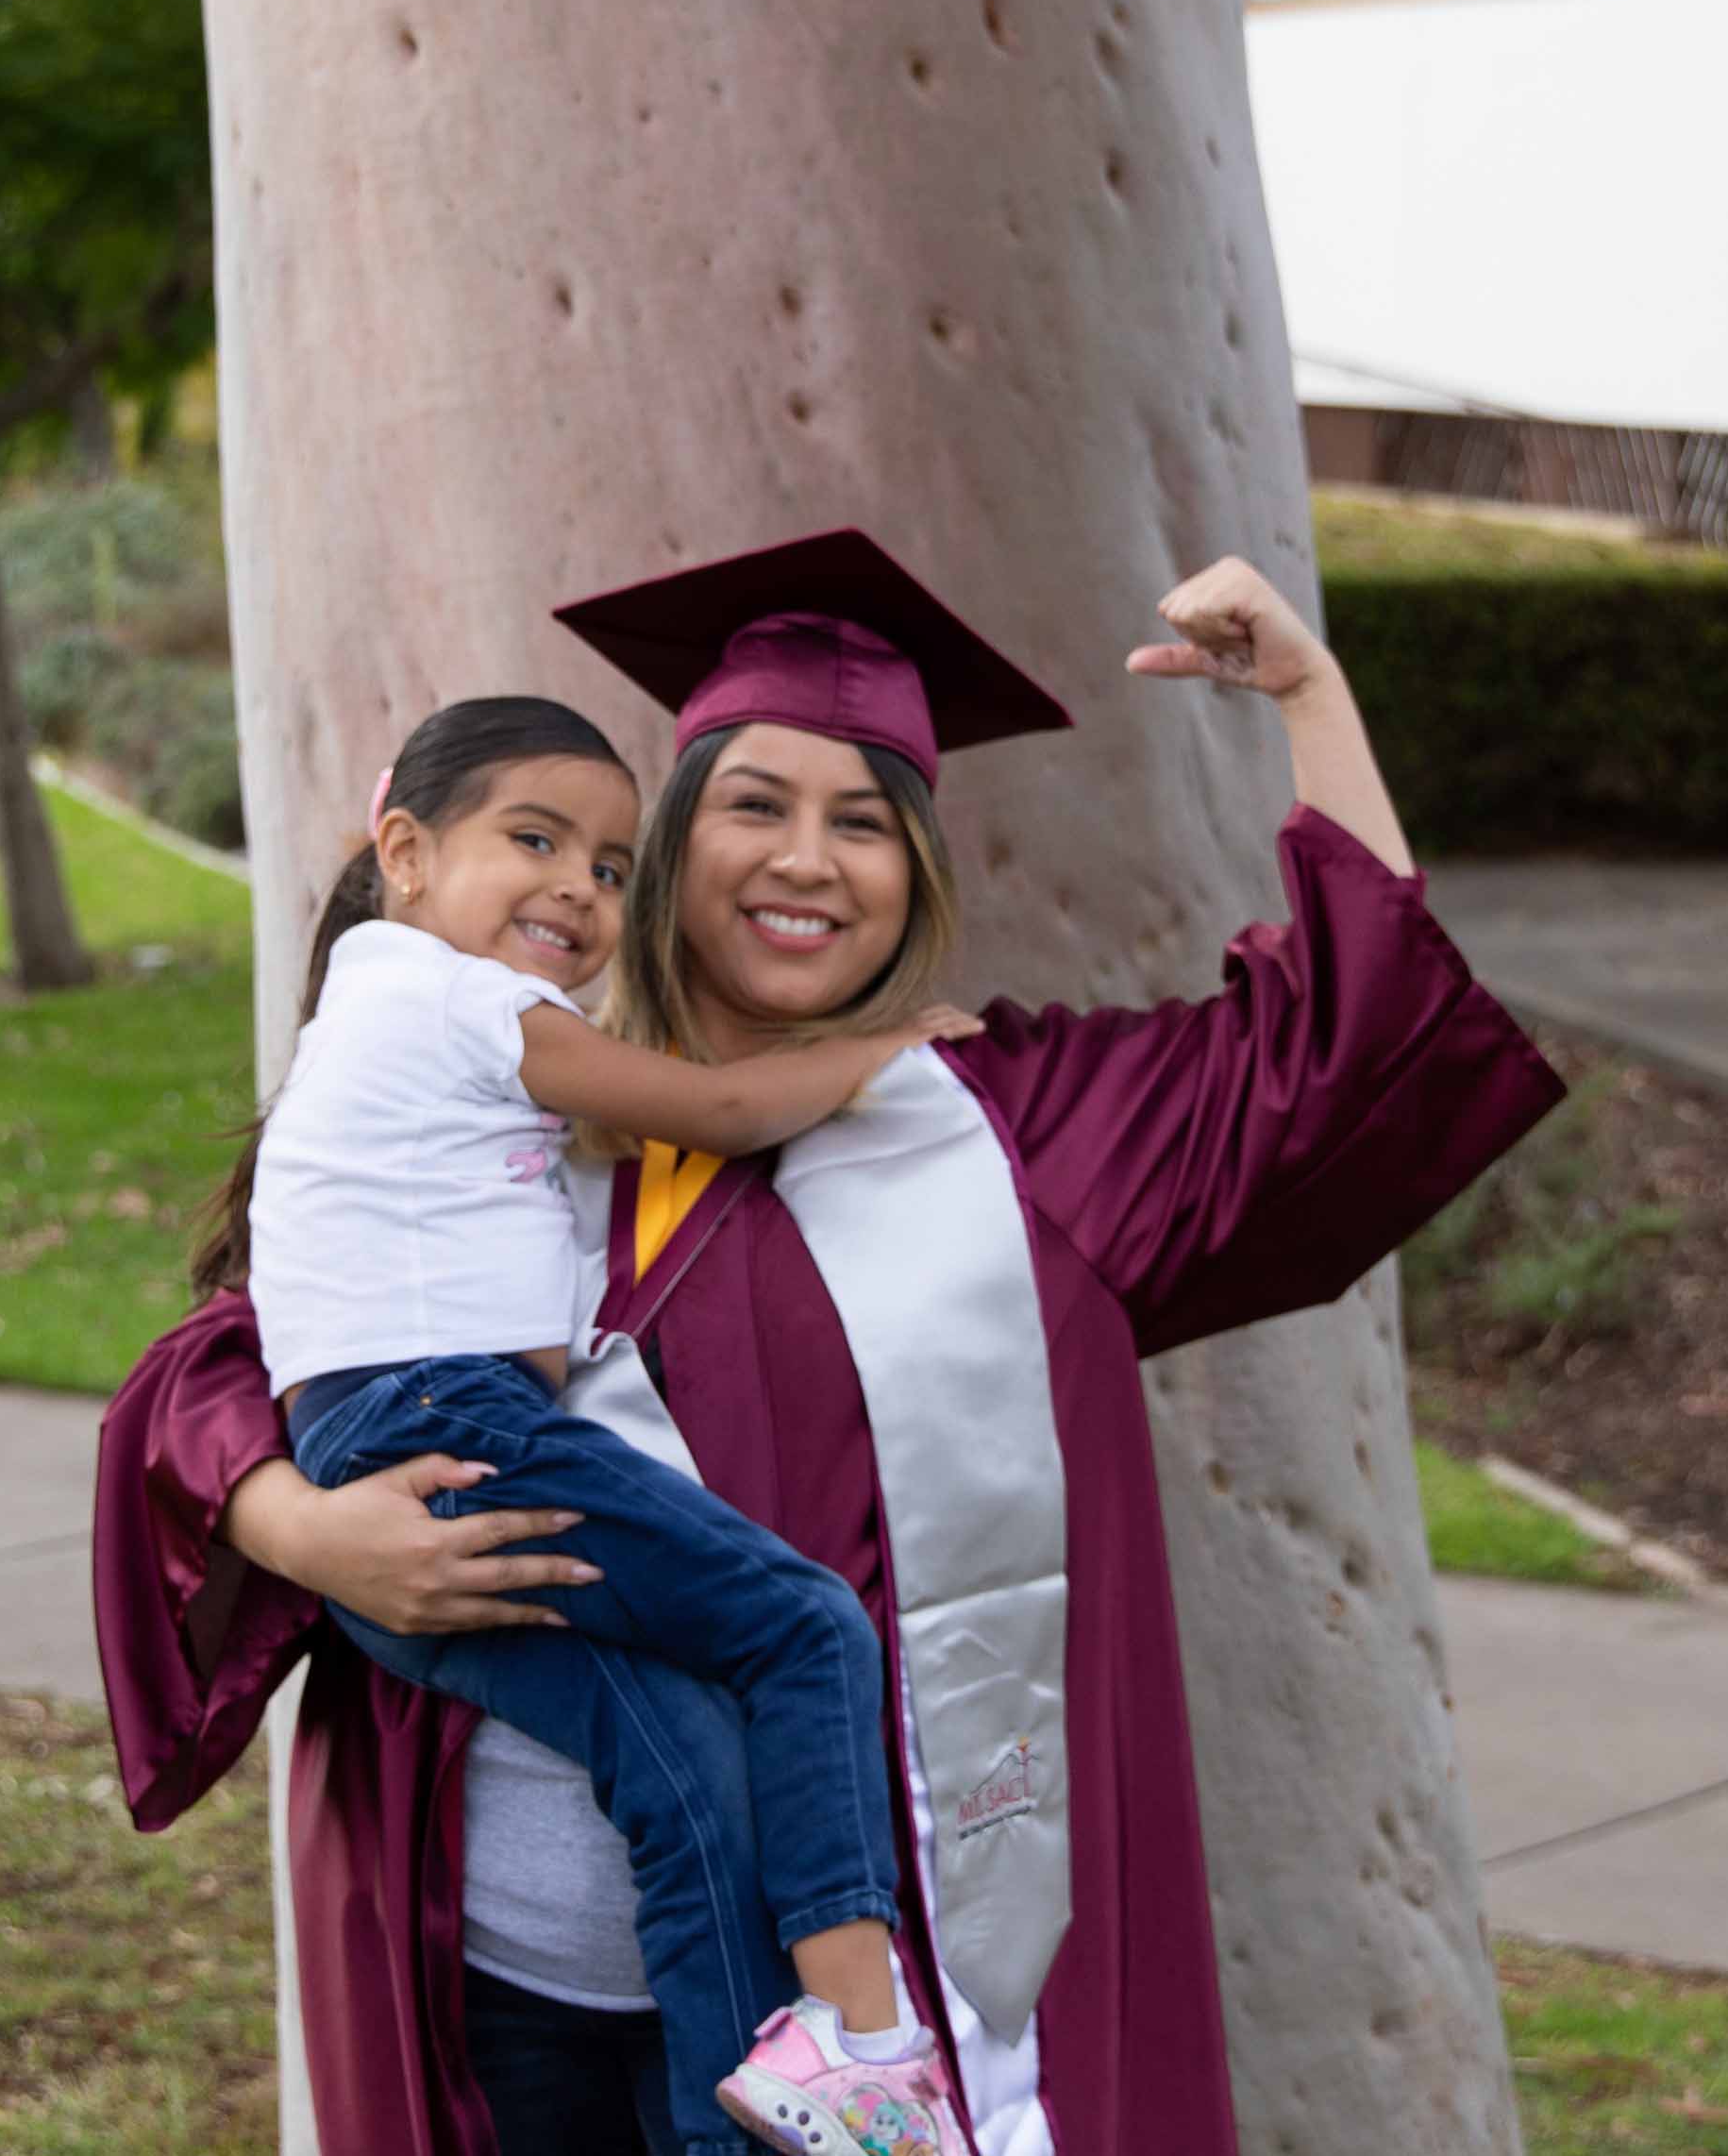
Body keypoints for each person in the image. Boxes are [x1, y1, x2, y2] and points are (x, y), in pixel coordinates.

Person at [94, 530, 1567, 2156]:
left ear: (915, 879)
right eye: (754, 805)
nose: (808, 859)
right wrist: (305, 1528)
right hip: (487, 1975)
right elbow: (222, 1367)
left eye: (863, 824)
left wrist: (1310, 695)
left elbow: (1343, 1052)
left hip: (821, 2030)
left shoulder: (1019, 1141)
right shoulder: (513, 1086)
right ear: (667, 847)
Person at [242, 690, 985, 2154]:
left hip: (390, 1448)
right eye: (535, 841)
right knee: (805, 1627)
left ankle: (749, 2116)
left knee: (683, 1763)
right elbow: (705, 1106)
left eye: (608, 867)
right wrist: (881, 1055)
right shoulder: (457, 1003)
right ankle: (868, 2033)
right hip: (451, 1424)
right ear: (401, 849)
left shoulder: (382, 1046)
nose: (577, 889)